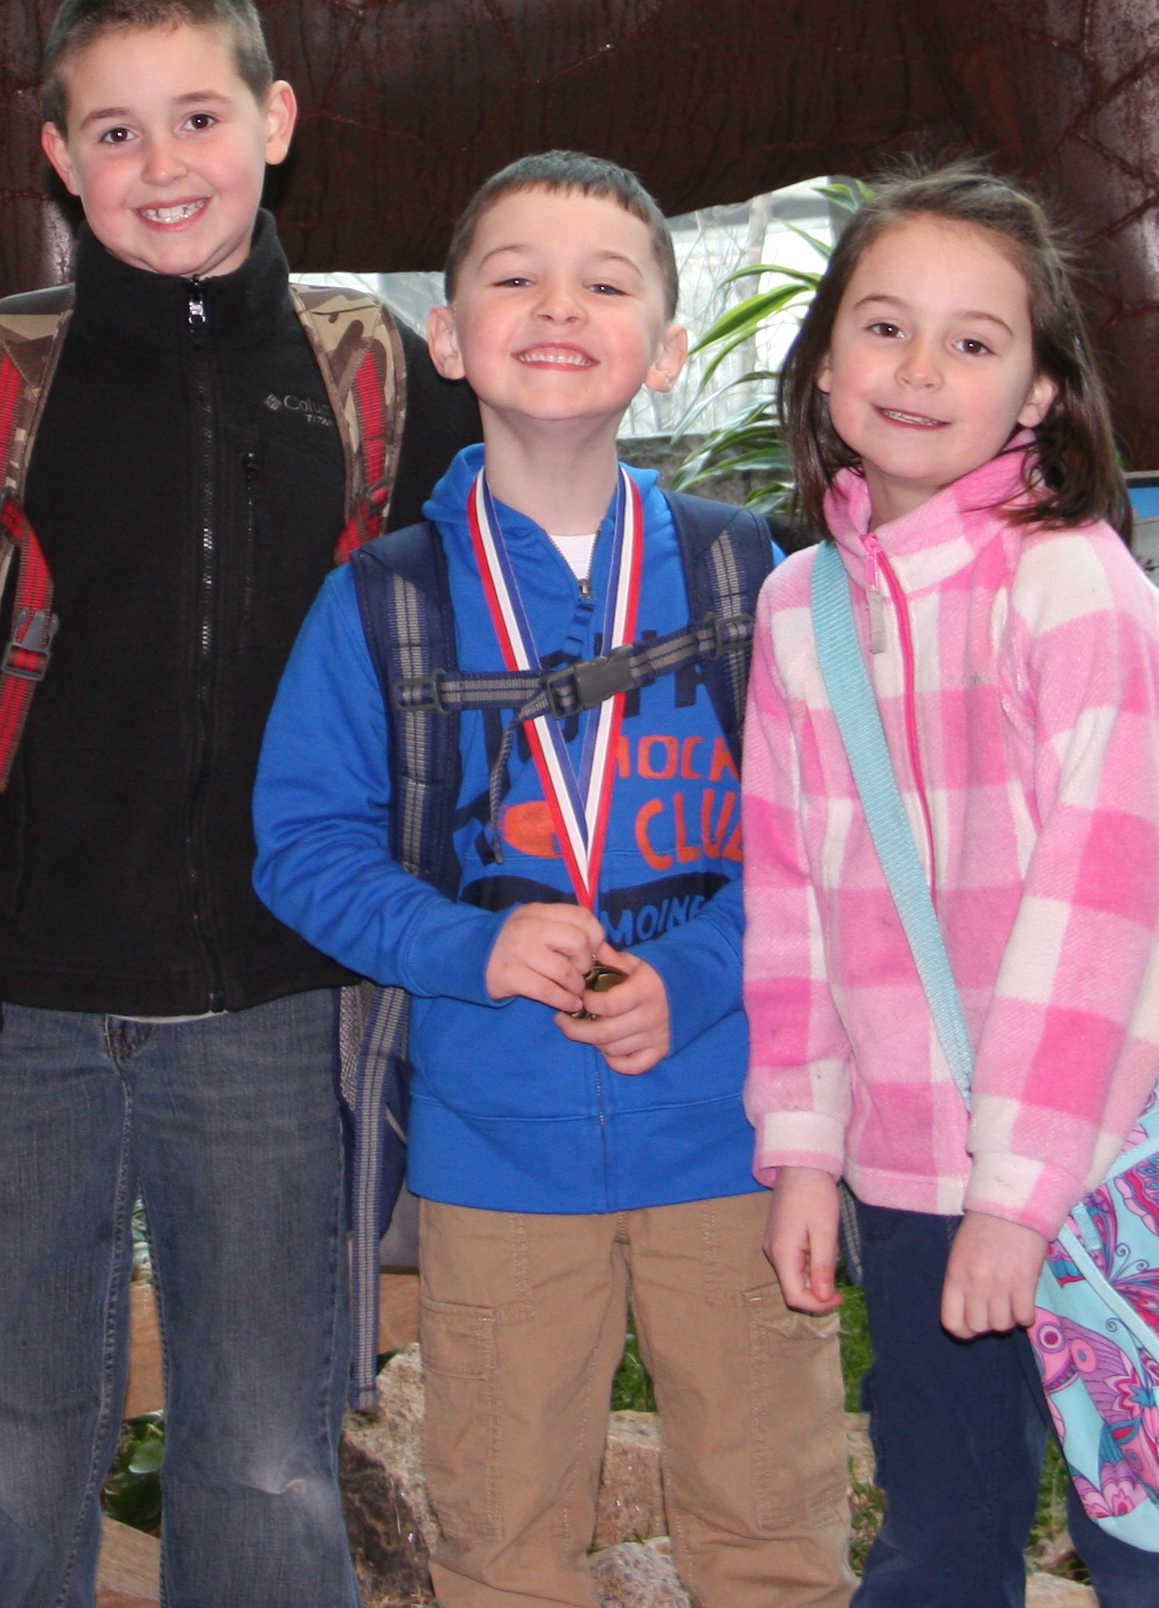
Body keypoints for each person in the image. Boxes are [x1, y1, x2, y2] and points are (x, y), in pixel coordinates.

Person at [0, 0, 476, 1608]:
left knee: (268, 1454)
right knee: (12, 1435)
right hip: (23, 1021)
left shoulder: (377, 379)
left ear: (276, 122)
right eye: (116, 132)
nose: (163, 165)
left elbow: (479, 661)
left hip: (278, 1009)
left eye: (199, 117)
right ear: (58, 161)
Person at [255, 152, 853, 1608]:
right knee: (504, 1546)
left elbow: (822, 845)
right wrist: (467, 948)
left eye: (605, 283)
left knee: (773, 1540)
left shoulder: (749, 579)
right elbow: (303, 846)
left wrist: (696, 975)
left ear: (666, 349)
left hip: (733, 1141)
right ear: (449, 340)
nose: (559, 307)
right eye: (513, 277)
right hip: (495, 1158)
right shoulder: (385, 602)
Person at [736, 162, 1159, 1608]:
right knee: (940, 1540)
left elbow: (1107, 927)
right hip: (902, 1171)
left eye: (973, 341)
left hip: (1090, 1179)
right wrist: (806, 1147)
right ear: (825, 357)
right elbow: (790, 902)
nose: (919, 370)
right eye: (885, 327)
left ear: (1039, 392)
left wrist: (1018, 1198)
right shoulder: (801, 607)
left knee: (1153, 1555)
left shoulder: (1074, 592)